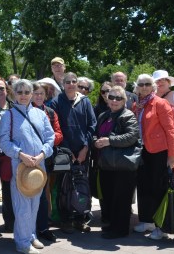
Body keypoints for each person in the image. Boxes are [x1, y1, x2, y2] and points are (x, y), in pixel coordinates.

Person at [0, 79, 55, 254]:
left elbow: (50, 137)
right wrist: (20, 154)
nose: (23, 95)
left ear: (32, 94)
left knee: (35, 204)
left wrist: (41, 155)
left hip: (39, 166)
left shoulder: (40, 114)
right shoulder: (8, 115)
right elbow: (3, 141)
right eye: (19, 92)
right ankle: (22, 243)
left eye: (26, 92)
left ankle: (31, 236)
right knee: (22, 206)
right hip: (20, 166)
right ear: (14, 94)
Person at [132, 74, 174, 241]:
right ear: (137, 86)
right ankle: (146, 220)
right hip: (142, 151)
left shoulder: (161, 103)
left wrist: (172, 155)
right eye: (141, 84)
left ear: (153, 87)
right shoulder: (138, 105)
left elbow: (171, 130)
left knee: (158, 188)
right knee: (143, 186)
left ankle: (161, 226)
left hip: (158, 152)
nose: (144, 87)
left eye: (147, 84)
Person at [51, 72, 96, 233]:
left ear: (77, 83)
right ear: (63, 84)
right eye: (67, 81)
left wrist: (85, 147)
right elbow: (56, 128)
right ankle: (65, 220)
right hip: (64, 152)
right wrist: (68, 150)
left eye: (73, 81)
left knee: (82, 184)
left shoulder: (85, 102)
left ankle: (80, 218)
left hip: (83, 152)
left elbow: (92, 125)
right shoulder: (56, 102)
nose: (71, 84)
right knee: (63, 186)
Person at [92, 85, 139, 239]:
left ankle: (120, 229)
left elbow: (132, 137)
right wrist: (95, 141)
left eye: (118, 98)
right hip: (106, 164)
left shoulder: (128, 115)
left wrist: (109, 141)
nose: (114, 100)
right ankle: (112, 226)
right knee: (110, 198)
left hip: (123, 166)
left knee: (122, 199)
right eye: (111, 97)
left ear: (124, 100)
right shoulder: (103, 116)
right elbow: (95, 133)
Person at [31, 82, 63, 243]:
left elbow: (58, 135)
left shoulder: (50, 112)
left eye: (41, 94)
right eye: (35, 93)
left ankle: (43, 228)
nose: (38, 96)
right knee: (27, 195)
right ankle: (29, 229)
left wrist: (45, 141)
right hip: (26, 159)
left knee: (43, 196)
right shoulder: (22, 110)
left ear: (45, 96)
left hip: (44, 158)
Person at [0, 77, 15, 232]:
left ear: (7, 90)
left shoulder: (14, 108)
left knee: (8, 191)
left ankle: (10, 223)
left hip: (8, 156)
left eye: (1, 88)